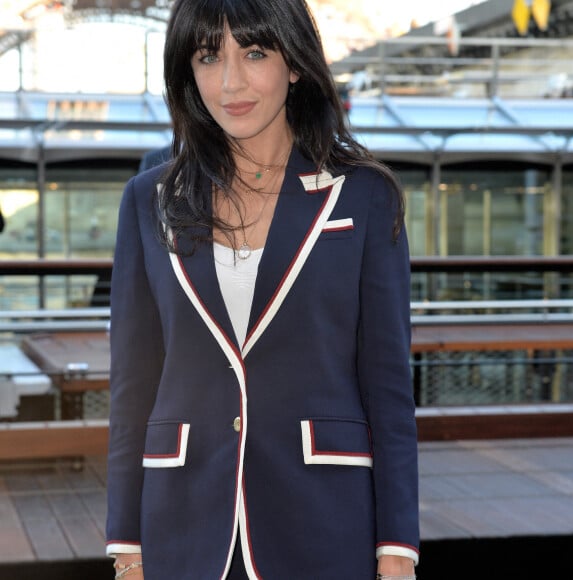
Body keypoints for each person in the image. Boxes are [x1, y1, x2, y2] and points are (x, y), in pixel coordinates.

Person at [105, 0, 420, 578]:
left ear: (295, 64)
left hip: (324, 518)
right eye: (208, 57)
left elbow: (389, 389)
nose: (230, 82)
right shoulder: (148, 200)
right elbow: (133, 386)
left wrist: (397, 547)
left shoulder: (364, 197)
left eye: (254, 52)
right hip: (181, 522)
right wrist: (126, 543)